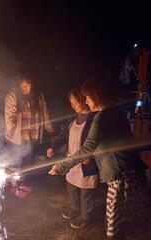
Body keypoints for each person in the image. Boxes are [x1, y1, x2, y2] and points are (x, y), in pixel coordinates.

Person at [49, 77, 149, 240]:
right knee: (124, 213)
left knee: (113, 218)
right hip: (131, 169)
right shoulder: (116, 112)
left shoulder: (102, 117)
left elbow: (88, 148)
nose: (86, 102)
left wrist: (61, 166)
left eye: (87, 97)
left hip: (119, 173)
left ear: (97, 95)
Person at [47, 88, 99, 229]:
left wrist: (92, 157)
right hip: (71, 160)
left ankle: (85, 216)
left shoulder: (94, 118)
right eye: (71, 103)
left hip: (86, 163)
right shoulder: (72, 118)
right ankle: (75, 209)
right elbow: (64, 136)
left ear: (84, 100)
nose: (73, 105)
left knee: (85, 192)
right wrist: (54, 147)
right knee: (72, 188)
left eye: (75, 102)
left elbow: (97, 142)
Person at [5, 72, 54, 197]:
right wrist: (10, 128)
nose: (24, 87)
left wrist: (49, 127)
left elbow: (45, 112)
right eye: (22, 84)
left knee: (27, 160)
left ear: (32, 84)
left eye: (28, 84)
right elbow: (10, 113)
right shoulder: (13, 95)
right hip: (18, 135)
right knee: (16, 160)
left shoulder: (39, 96)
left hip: (33, 134)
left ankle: (21, 183)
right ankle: (14, 186)